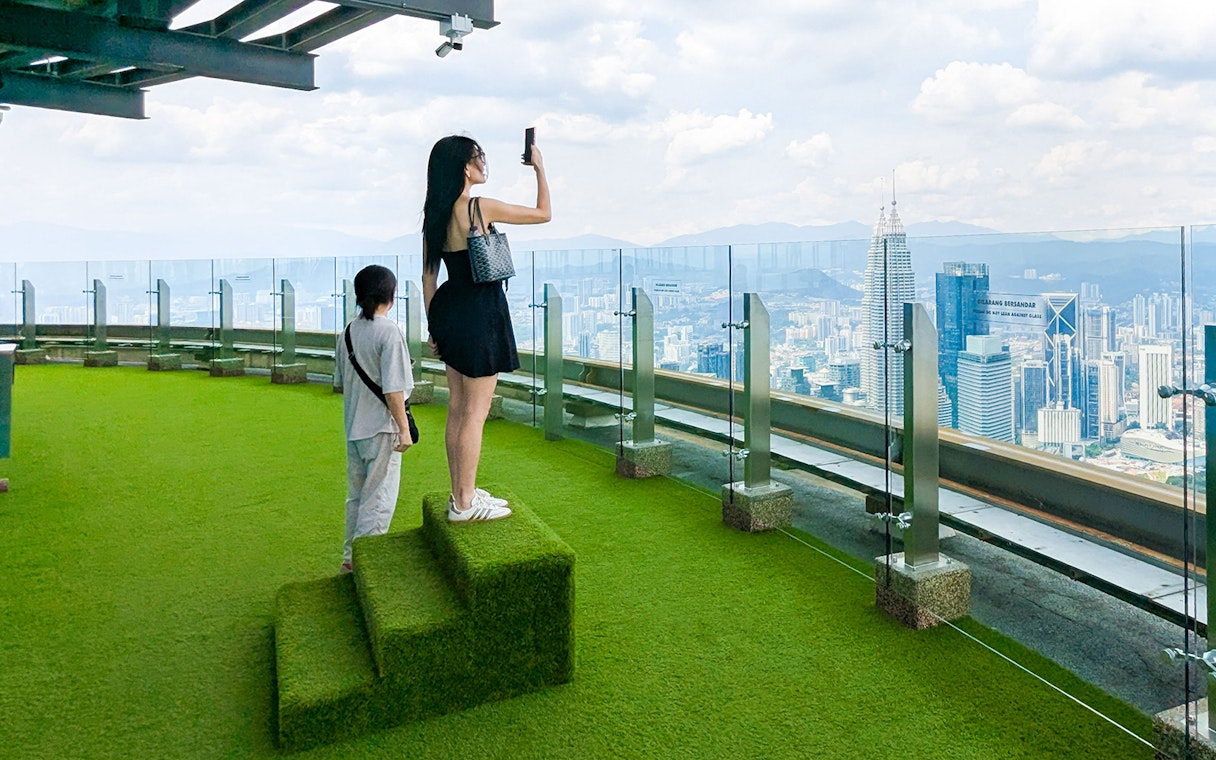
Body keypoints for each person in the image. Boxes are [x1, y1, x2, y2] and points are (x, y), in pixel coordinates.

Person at [422, 135, 551, 522]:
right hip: (481, 314)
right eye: (478, 157)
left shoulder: (436, 214)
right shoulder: (479, 207)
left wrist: (435, 328)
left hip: (450, 311)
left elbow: (429, 278)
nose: (483, 163)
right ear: (465, 166)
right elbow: (543, 213)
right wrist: (540, 167)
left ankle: (461, 492)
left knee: (458, 410)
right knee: (474, 413)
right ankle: (464, 504)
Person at [336, 264, 415, 572]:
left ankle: (349, 560)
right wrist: (404, 430)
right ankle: (365, 568)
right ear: (391, 296)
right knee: (378, 501)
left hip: (354, 427)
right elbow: (395, 391)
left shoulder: (347, 332)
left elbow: (342, 381)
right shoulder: (390, 332)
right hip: (382, 429)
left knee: (356, 499)